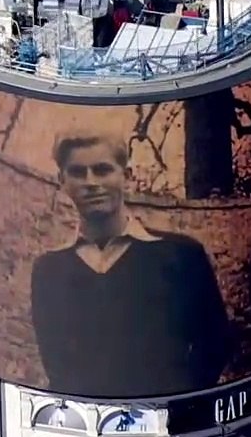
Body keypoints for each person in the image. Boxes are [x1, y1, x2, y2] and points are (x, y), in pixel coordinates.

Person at [29, 127, 230, 397]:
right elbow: (57, 366)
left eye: (102, 170)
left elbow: (216, 346)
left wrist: (175, 405)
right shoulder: (49, 271)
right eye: (78, 173)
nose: (90, 182)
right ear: (62, 181)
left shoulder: (181, 255)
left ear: (127, 176)